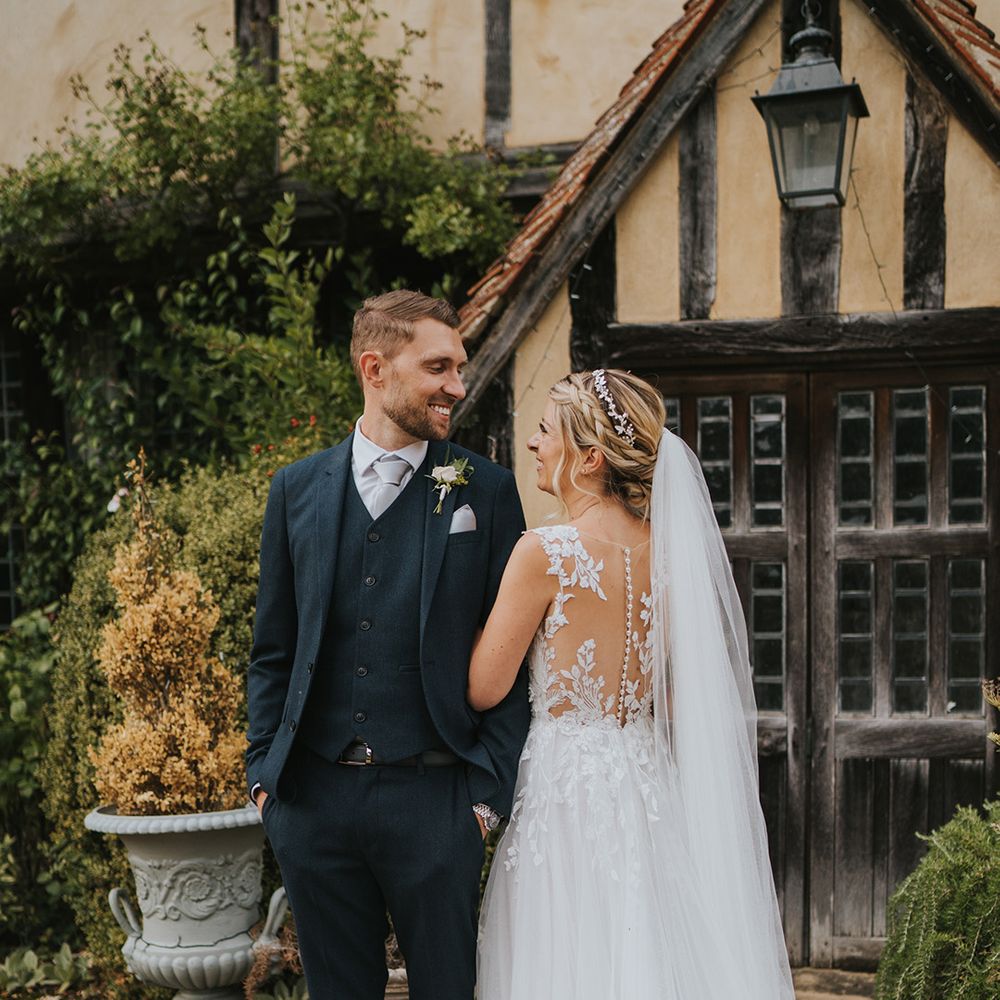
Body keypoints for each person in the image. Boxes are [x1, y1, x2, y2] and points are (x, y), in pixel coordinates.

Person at [469, 369, 795, 1000]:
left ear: (589, 458)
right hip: (645, 781)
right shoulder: (670, 554)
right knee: (650, 941)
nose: (534, 444)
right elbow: (674, 694)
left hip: (562, 788)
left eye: (545, 430)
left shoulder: (545, 551)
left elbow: (484, 687)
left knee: (563, 951)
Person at [245, 290, 530, 1000]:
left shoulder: (485, 492)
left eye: (458, 367)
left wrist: (483, 803)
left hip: (437, 802)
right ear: (376, 369)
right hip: (312, 801)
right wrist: (264, 781)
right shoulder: (296, 490)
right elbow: (273, 649)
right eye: (439, 366)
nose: (457, 386)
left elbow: (521, 656)